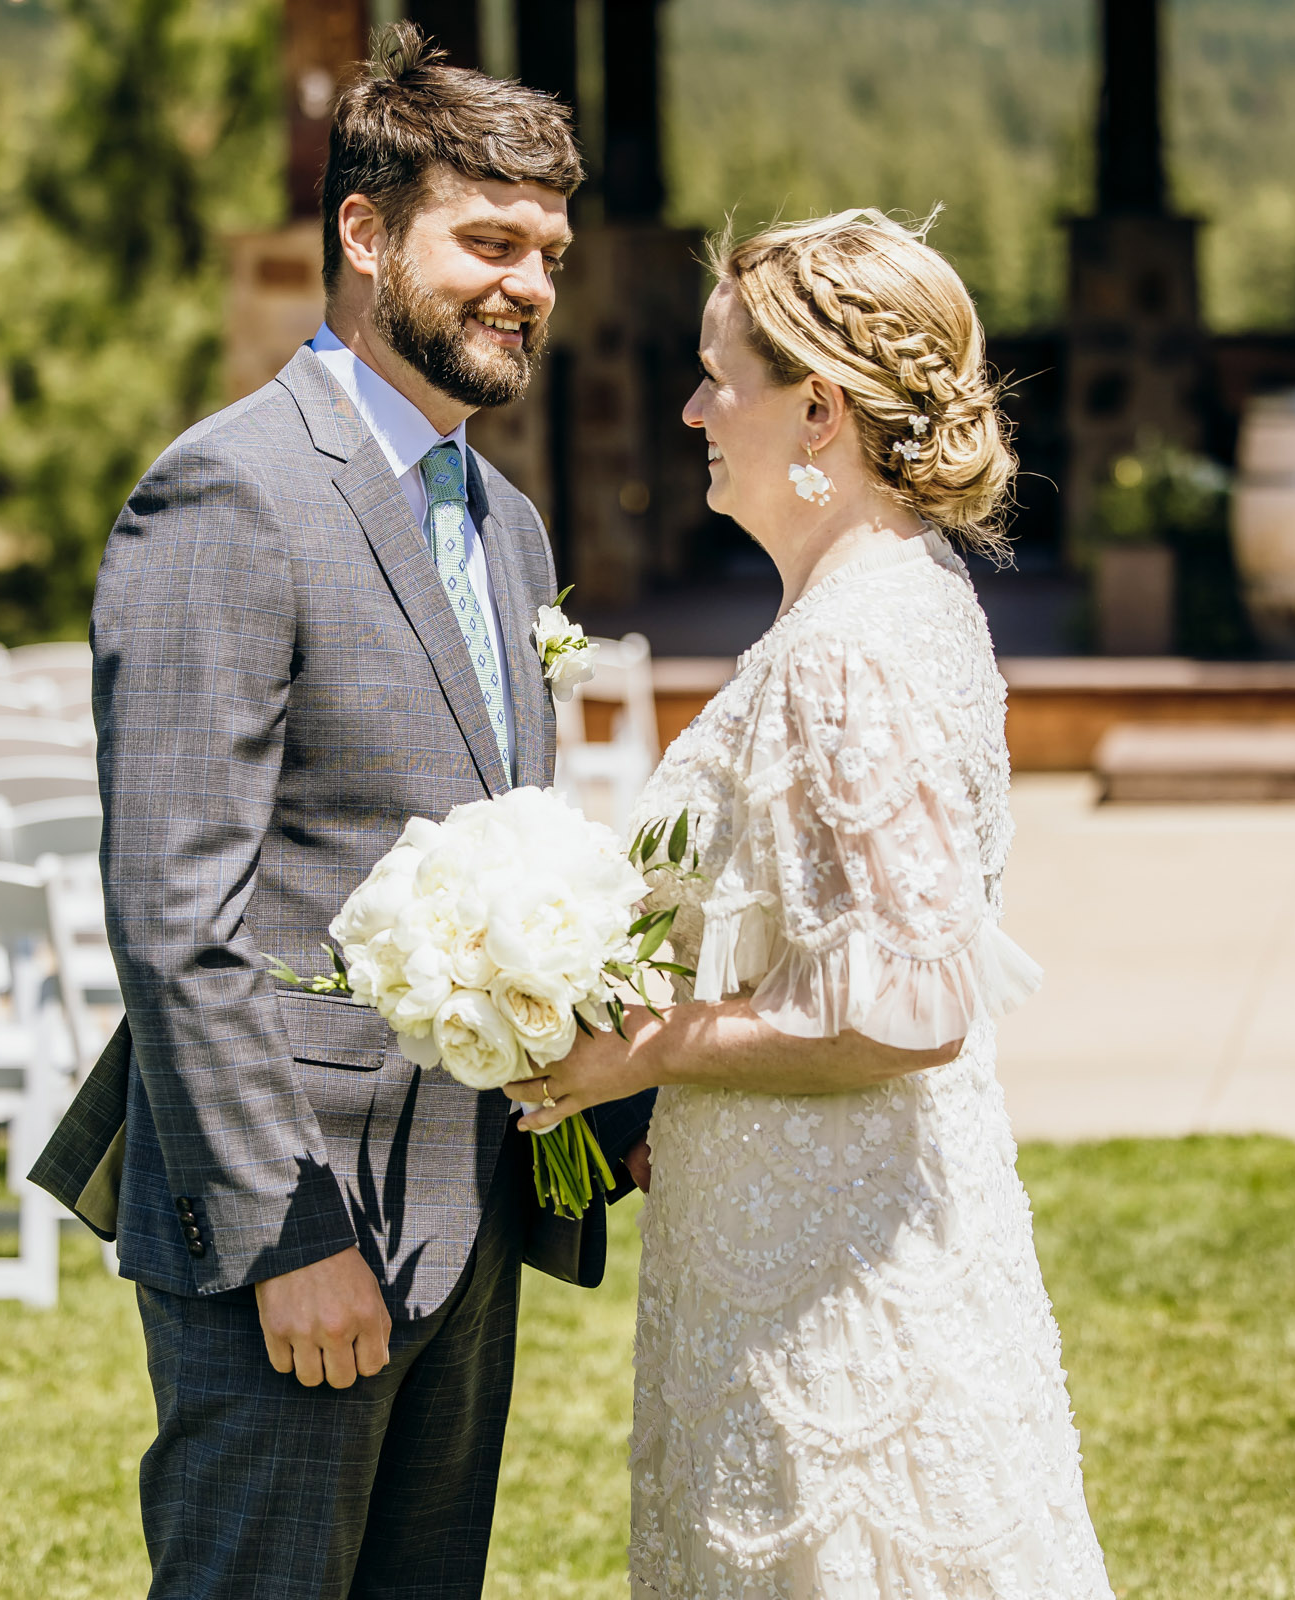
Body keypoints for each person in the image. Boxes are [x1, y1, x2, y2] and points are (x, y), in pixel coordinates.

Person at [27, 26, 650, 1599]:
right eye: (489, 241)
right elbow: (179, 912)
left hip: (469, 1214)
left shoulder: (500, 520)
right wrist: (286, 1232)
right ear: (366, 237)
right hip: (297, 1224)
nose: (529, 284)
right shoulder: (225, 495)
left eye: (551, 252)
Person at [504, 210, 1118, 1598]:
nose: (692, 407)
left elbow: (913, 1001)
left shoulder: (851, 654)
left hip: (840, 1296)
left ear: (819, 412)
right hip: (796, 1229)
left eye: (720, 375)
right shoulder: (899, 602)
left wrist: (645, 1052)